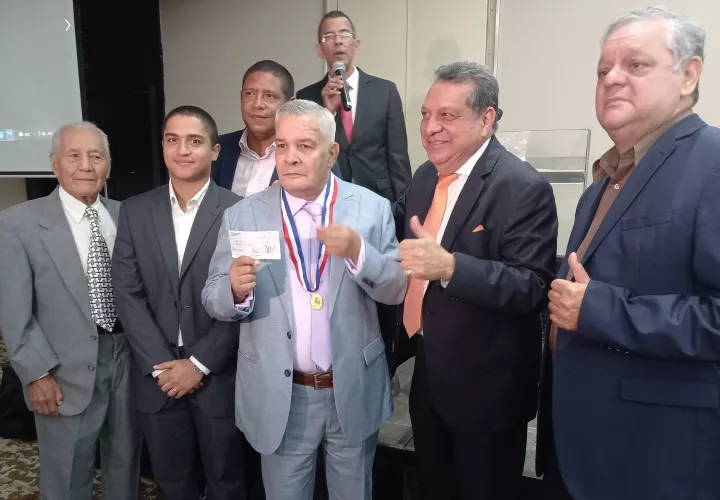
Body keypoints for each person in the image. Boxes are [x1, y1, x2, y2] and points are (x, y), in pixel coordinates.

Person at [545, 7, 720, 500]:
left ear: (689, 75)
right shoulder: (601, 185)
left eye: (636, 65)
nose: (612, 79)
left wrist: (600, 309)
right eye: (603, 70)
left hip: (655, 459)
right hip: (582, 447)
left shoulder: (712, 162)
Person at [202, 99, 406, 500]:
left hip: (351, 387)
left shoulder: (371, 208)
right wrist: (235, 290)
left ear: (331, 153)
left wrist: (359, 253)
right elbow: (212, 296)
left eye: (305, 146)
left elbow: (396, 288)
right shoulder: (243, 215)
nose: (290, 158)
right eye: (282, 146)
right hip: (281, 394)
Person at [395, 61, 558, 500]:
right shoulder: (425, 175)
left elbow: (531, 286)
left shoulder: (522, 188)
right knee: (434, 485)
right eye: (426, 115)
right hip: (428, 371)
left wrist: (450, 268)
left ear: (487, 119)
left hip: (488, 388)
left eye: (447, 116)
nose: (430, 128)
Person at [112, 106, 248, 500]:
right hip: (158, 378)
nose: (182, 150)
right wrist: (162, 367)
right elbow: (128, 293)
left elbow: (245, 298)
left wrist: (199, 363)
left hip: (219, 374)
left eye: (195, 141)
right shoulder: (135, 210)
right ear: (163, 146)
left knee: (228, 482)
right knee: (172, 484)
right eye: (173, 139)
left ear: (215, 151)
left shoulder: (241, 210)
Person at [0, 122, 140, 499]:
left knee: (125, 461)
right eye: (73, 156)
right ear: (54, 165)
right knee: (67, 471)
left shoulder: (127, 215)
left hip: (127, 358)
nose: (85, 166)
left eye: (96, 157)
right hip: (61, 371)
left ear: (108, 167)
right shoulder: (19, 223)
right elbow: (14, 311)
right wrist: (35, 374)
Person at [297, 10, 411, 203]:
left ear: (356, 45)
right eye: (329, 36)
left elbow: (398, 156)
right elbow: (306, 151)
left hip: (380, 197)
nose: (338, 41)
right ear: (319, 49)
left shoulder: (385, 91)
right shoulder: (307, 97)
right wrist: (327, 112)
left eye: (344, 34)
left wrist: (404, 209)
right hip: (327, 197)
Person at [212, 60, 294, 196]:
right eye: (249, 93)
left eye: (269, 96)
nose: (257, 104)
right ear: (241, 96)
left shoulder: (308, 154)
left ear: (289, 105)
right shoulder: (217, 149)